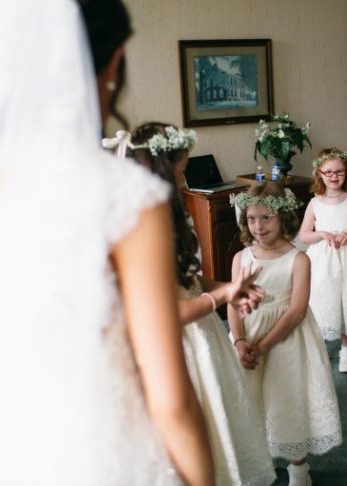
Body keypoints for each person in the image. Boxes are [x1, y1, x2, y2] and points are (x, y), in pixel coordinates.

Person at [0, 1, 214, 485]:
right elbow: (170, 401)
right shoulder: (126, 197)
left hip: (2, 456)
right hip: (106, 457)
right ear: (112, 63)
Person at [128, 122, 277, 486]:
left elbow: (189, 282)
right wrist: (222, 296)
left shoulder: (175, 211)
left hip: (205, 334)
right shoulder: (139, 225)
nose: (184, 181)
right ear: (160, 170)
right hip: (175, 346)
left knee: (217, 424)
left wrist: (230, 287)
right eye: (180, 171)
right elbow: (168, 314)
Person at [228, 182, 342, 486]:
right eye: (252, 219)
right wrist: (240, 341)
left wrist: (262, 345)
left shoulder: (298, 259)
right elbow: (233, 302)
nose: (258, 226)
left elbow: (296, 311)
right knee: (251, 398)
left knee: (286, 397)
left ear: (284, 218)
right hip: (247, 334)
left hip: (286, 341)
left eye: (266, 218)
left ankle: (298, 467)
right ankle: (259, 455)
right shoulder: (242, 258)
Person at [299, 148, 347, 373]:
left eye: (339, 171)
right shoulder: (315, 203)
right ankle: (317, 349)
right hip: (323, 261)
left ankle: (346, 350)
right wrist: (321, 234)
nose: (334, 176)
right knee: (323, 301)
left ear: (346, 173)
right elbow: (304, 235)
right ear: (320, 174)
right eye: (328, 172)